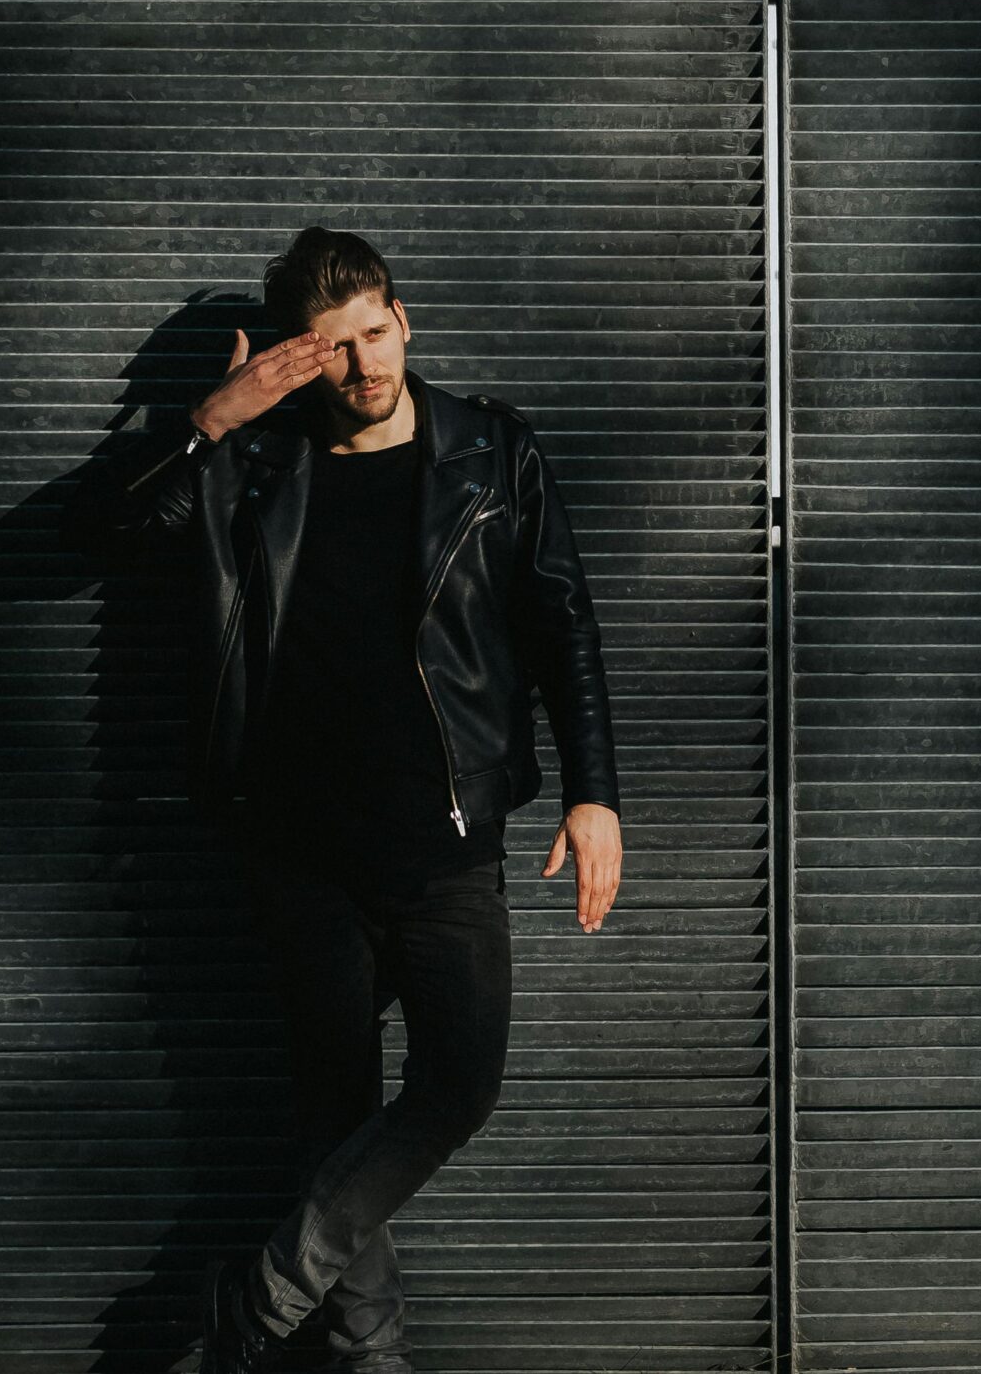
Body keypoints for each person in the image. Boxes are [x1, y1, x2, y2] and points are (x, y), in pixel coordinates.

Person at [74, 226, 622, 1373]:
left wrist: (594, 792)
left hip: (445, 839)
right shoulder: (254, 462)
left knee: (458, 1085)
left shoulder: (490, 449)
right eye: (333, 348)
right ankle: (370, 1359)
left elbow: (560, 617)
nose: (364, 364)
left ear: (404, 319)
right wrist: (209, 419)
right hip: (297, 845)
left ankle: (254, 1307)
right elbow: (109, 535)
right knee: (332, 1112)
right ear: (296, 356)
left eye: (374, 333)